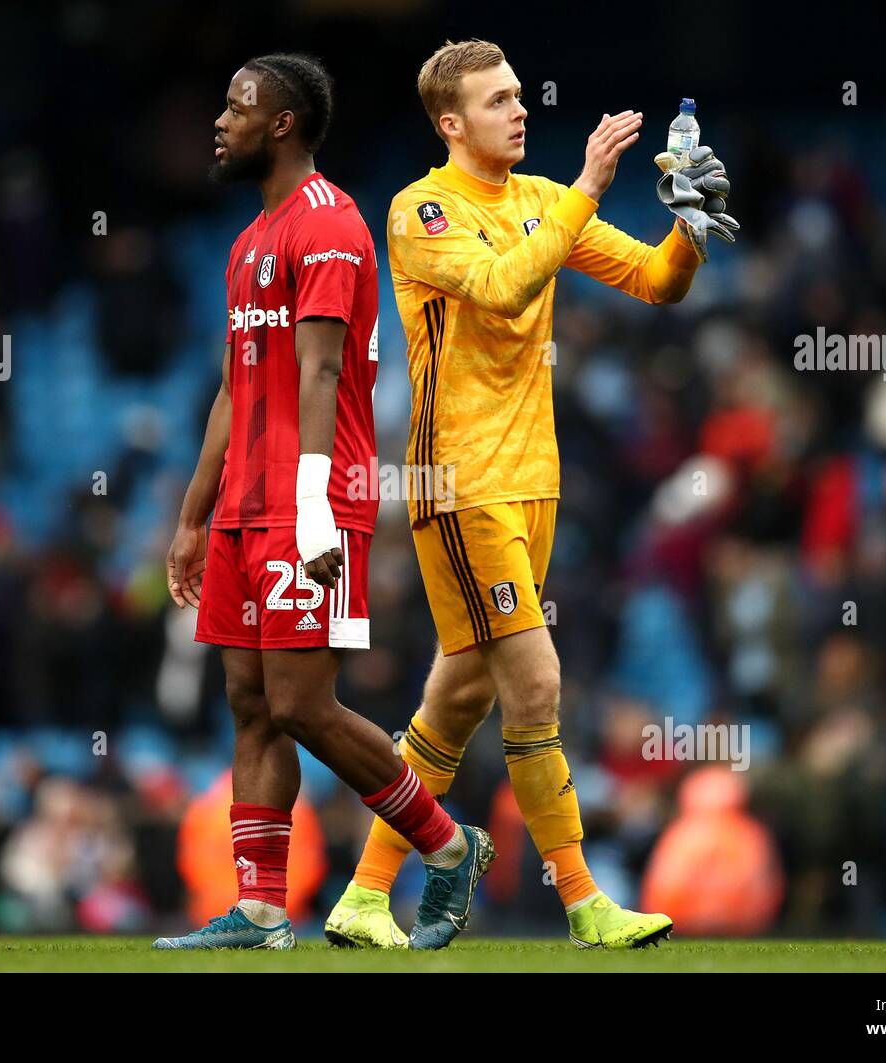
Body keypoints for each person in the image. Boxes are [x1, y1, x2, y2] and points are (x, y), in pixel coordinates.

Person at [324, 39, 736, 950]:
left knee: (458, 699)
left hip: (533, 485)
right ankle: (585, 899)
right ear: (451, 123)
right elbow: (506, 290)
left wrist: (690, 227)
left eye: (518, 95)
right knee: (537, 684)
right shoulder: (421, 210)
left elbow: (658, 283)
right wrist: (591, 182)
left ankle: (361, 896)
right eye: (497, 100)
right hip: (456, 480)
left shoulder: (542, 202)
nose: (519, 110)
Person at [155, 53, 494, 951]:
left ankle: (451, 846)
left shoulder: (332, 227)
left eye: (238, 107)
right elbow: (235, 387)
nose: (219, 122)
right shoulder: (247, 242)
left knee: (303, 702)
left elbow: (320, 370)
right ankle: (264, 910)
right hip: (242, 503)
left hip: (314, 500)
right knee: (250, 702)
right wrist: (194, 515)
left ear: (283, 124)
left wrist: (310, 513)